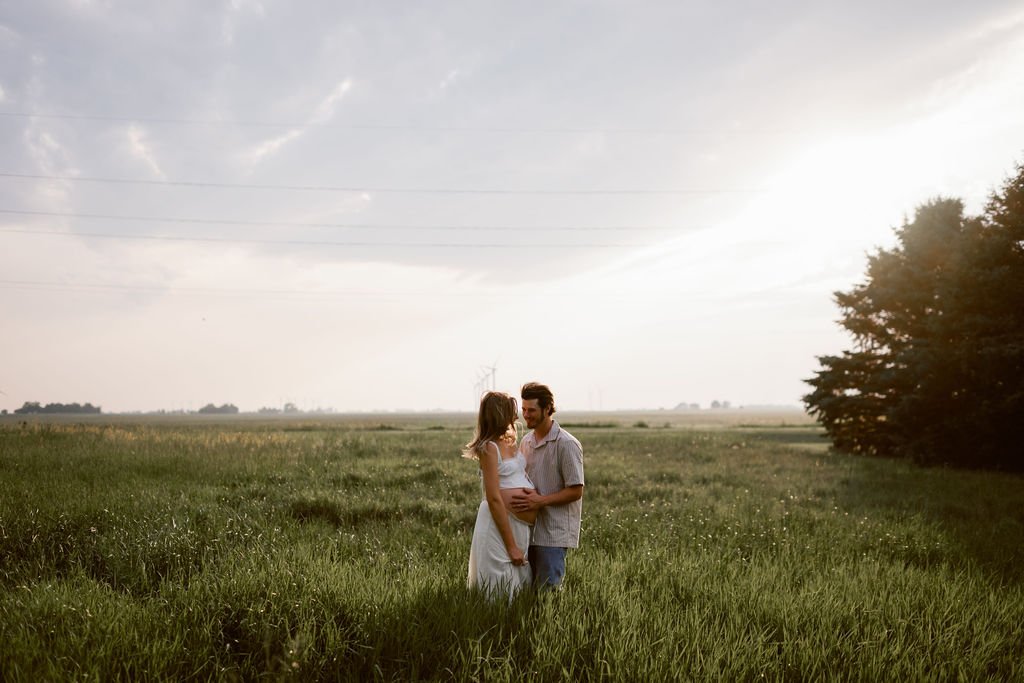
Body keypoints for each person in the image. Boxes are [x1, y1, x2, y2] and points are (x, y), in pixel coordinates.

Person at [510, 382, 584, 589]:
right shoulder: (526, 442)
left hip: (553, 534)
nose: (526, 415)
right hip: (527, 530)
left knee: (548, 593)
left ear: (548, 408)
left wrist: (540, 501)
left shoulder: (567, 444)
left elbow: (576, 490)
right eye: (523, 410)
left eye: (531, 410)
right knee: (525, 591)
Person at [464, 391, 536, 600]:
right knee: (499, 582)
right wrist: (511, 545)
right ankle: (496, 625)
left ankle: (513, 621)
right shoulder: (489, 448)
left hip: (519, 524)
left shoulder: (511, 442)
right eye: (512, 412)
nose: (516, 416)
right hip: (498, 523)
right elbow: (493, 497)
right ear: (499, 414)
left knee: (518, 577)